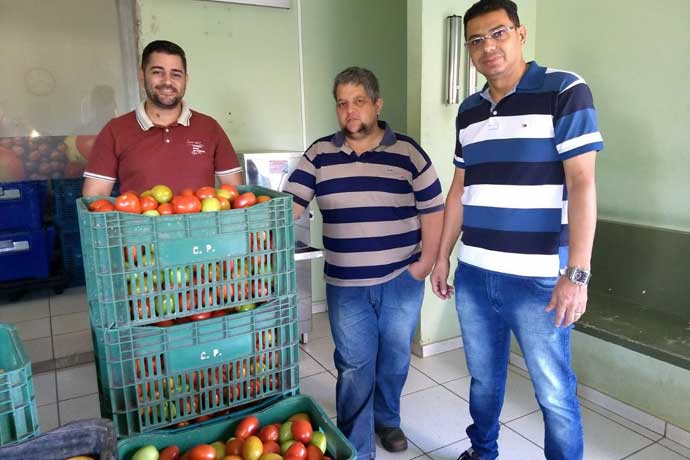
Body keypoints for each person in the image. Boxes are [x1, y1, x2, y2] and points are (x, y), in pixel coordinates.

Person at [429, 1, 603, 459]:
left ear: (521, 34)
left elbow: (582, 182)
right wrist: (443, 255)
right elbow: (459, 189)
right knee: (484, 379)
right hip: (475, 274)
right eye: (476, 40)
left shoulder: (564, 90)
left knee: (553, 392)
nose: (488, 47)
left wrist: (577, 274)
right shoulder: (469, 110)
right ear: (468, 49)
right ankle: (482, 452)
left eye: (498, 33)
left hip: (541, 279)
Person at [284, 67, 445, 460]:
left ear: (377, 104)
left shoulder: (408, 153)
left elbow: (434, 211)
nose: (350, 111)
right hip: (345, 285)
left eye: (358, 101)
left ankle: (387, 419)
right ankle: (356, 444)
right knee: (354, 365)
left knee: (394, 360)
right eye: (342, 103)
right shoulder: (319, 154)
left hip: (401, 279)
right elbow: (288, 206)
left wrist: (425, 264)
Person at [82, 40, 242, 196]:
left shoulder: (209, 128)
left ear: (186, 80)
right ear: (142, 76)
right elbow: (96, 198)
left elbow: (234, 192)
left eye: (176, 74)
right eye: (157, 72)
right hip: (138, 223)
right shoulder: (115, 130)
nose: (167, 81)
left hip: (201, 223)